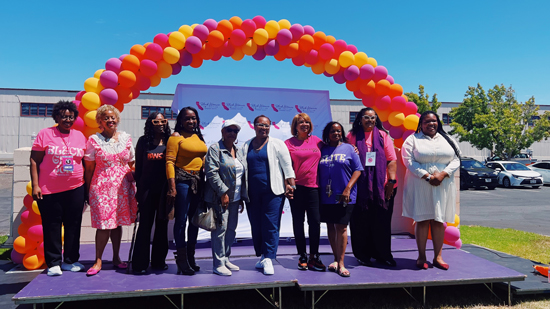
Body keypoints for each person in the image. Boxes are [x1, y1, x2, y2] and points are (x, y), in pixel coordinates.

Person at [30, 100, 87, 276]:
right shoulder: (45, 134)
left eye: (70, 117)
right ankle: (54, 262)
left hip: (76, 188)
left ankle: (70, 260)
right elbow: (34, 160)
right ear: (56, 117)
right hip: (49, 189)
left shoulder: (80, 136)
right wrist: (35, 185)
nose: (67, 120)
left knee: (73, 225)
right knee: (52, 225)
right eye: (63, 116)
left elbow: (84, 161)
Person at [402, 111, 461, 270]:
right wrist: (427, 176)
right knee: (422, 220)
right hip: (420, 184)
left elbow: (456, 159)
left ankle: (438, 257)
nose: (431, 124)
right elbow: (408, 161)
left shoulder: (448, 139)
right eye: (427, 121)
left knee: (438, 221)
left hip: (443, 184)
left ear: (438, 123)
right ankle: (421, 257)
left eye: (434, 121)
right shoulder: (413, 139)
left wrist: (443, 174)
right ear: (421, 124)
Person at [84, 105, 137, 276]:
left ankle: (116, 258)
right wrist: (88, 190)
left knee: (117, 223)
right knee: (103, 225)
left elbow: (132, 163)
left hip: (122, 187)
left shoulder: (126, 138)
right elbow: (89, 168)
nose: (110, 120)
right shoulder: (93, 140)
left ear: (117, 119)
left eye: (113, 117)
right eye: (106, 118)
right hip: (102, 187)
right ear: (100, 121)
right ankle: (98, 260)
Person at [241, 115, 295, 275]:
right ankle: (262, 255)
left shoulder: (277, 144)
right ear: (254, 126)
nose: (263, 128)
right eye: (260, 125)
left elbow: (287, 166)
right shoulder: (246, 145)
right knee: (256, 225)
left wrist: (291, 185)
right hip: (252, 194)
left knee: (270, 225)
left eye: (267, 126)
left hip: (274, 193)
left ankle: (269, 258)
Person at [347, 107, 398, 267]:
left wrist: (391, 182)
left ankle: (383, 254)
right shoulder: (352, 136)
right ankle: (362, 255)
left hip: (382, 188)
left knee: (381, 222)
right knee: (360, 222)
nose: (370, 120)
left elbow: (391, 160)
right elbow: (347, 158)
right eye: (366, 117)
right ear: (360, 119)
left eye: (373, 117)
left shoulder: (383, 136)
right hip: (360, 187)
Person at [166, 106, 207, 276]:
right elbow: (169, 162)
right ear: (181, 121)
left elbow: (201, 159)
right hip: (182, 183)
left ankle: (191, 257)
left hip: (198, 182)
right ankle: (181, 261)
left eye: (194, 118)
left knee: (195, 222)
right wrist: (172, 187)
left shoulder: (198, 136)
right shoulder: (176, 137)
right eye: (187, 119)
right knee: (181, 221)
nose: (191, 121)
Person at [319, 122, 363, 277]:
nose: (336, 133)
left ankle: (342, 263)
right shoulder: (321, 148)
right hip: (326, 195)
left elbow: (358, 170)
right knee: (331, 227)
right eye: (332, 131)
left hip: (345, 195)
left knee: (342, 228)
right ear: (327, 133)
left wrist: (348, 188)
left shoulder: (349, 148)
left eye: (338, 131)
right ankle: (335, 259)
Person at [204, 120, 247, 276]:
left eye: (235, 131)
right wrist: (223, 193)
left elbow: (240, 175)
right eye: (229, 130)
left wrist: (241, 196)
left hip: (235, 199)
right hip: (219, 198)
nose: (232, 133)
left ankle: (226, 258)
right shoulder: (215, 149)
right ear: (222, 132)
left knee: (231, 230)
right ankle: (218, 263)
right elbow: (212, 173)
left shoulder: (239, 150)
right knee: (220, 231)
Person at [131, 112, 171, 274]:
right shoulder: (143, 141)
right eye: (156, 121)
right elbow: (138, 168)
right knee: (145, 226)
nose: (160, 124)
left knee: (162, 226)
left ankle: (158, 262)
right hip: (147, 190)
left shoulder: (170, 141)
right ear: (150, 123)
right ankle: (140, 264)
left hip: (164, 191)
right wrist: (139, 192)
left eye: (163, 121)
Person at [284, 113, 325, 271]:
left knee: (314, 222)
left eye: (307, 122)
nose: (305, 124)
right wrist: (287, 185)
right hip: (296, 188)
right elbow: (283, 167)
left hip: (314, 188)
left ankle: (314, 256)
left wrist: (352, 146)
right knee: (298, 222)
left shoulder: (317, 141)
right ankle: (302, 255)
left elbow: (335, 146)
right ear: (295, 126)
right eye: (301, 122)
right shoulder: (288, 143)